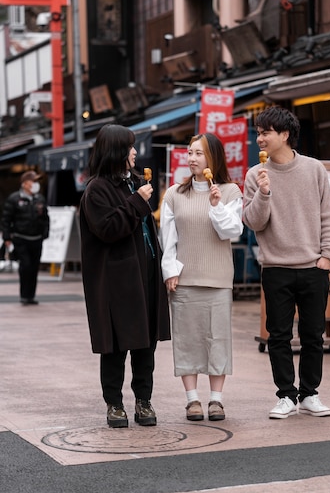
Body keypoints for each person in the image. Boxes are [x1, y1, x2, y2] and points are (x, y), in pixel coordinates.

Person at [243, 106, 330, 419]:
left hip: (313, 267)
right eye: (258, 132)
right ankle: (286, 395)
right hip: (276, 268)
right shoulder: (255, 175)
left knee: (313, 335)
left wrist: (327, 256)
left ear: (284, 135)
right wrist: (264, 193)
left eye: (266, 132)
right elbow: (254, 223)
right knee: (278, 335)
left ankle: (310, 393)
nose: (260, 138)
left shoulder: (314, 169)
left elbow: (327, 215)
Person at [79, 124, 171, 429]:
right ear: (116, 151)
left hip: (144, 273)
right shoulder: (97, 189)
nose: (135, 152)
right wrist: (137, 203)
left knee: (146, 344)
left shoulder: (133, 182)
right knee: (116, 345)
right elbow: (107, 229)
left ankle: (144, 401)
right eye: (130, 147)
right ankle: (114, 404)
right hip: (116, 281)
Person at [160, 133, 243, 422]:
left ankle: (217, 400)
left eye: (199, 153)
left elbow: (231, 232)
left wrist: (217, 205)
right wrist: (170, 271)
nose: (192, 158)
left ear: (213, 159)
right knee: (187, 339)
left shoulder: (231, 191)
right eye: (190, 152)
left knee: (217, 338)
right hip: (184, 279)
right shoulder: (173, 193)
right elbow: (168, 239)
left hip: (218, 279)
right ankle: (192, 399)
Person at [2, 171, 49, 305]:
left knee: (34, 267)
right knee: (25, 266)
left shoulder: (40, 199)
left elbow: (46, 217)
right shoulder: (14, 198)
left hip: (37, 239)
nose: (35, 184)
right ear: (25, 183)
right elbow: (6, 219)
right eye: (33, 181)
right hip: (21, 238)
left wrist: (45, 233)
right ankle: (24, 295)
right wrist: (7, 237)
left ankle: (31, 296)